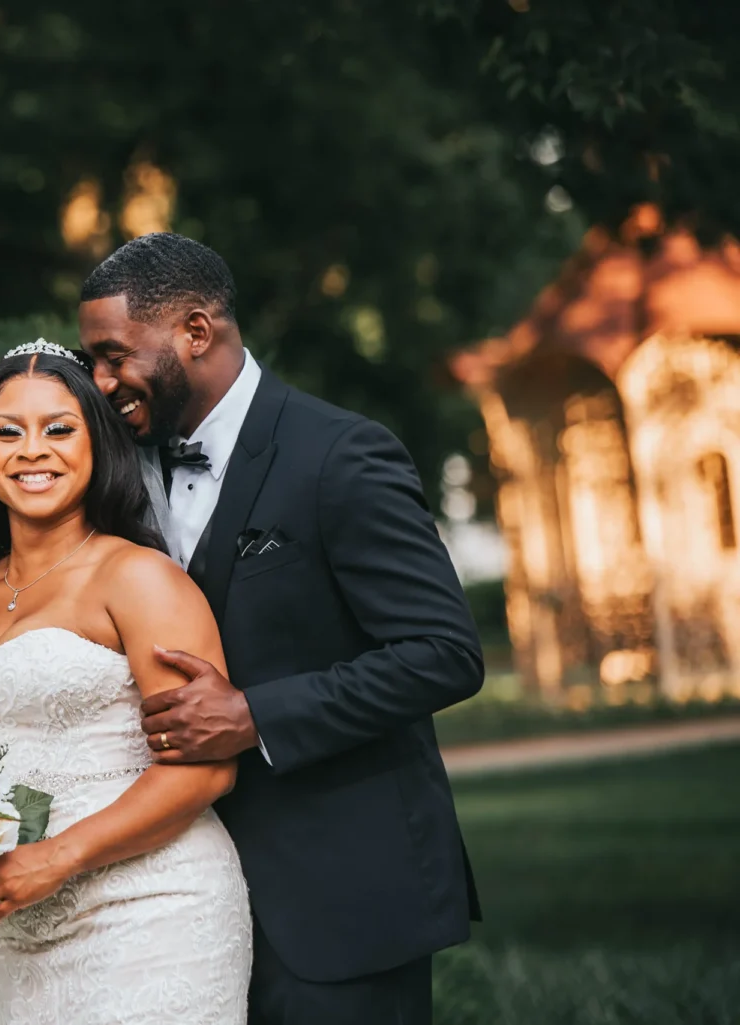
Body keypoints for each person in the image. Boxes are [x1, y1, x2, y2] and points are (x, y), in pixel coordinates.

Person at [77, 232, 484, 1025]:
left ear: (196, 332)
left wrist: (254, 714)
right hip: (180, 914)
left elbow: (444, 653)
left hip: (340, 895)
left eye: (113, 354)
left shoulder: (340, 455)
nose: (99, 380)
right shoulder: (118, 474)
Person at [0, 340, 253, 1025]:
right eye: (7, 432)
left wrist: (56, 858)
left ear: (96, 443)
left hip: (154, 910)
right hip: (22, 928)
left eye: (58, 429)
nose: (31, 450)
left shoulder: (138, 579)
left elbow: (206, 771)